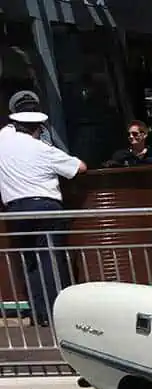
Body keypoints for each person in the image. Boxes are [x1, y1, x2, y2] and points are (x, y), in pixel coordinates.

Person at [0, 94, 87, 326]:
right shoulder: (44, 150)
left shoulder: (2, 139)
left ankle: (41, 315)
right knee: (52, 260)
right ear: (38, 126)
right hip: (47, 207)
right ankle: (59, 314)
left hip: (16, 209)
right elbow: (80, 167)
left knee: (30, 262)